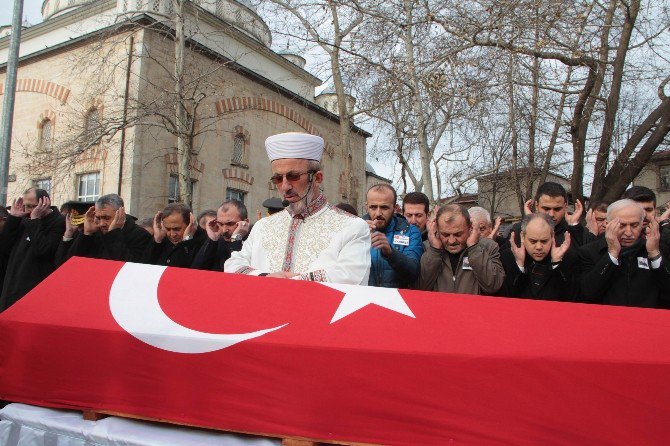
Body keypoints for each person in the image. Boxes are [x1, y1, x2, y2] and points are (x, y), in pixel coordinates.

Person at [225, 132, 371, 284]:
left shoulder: (352, 227)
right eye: (278, 178)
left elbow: (352, 276)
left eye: (293, 176)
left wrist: (292, 282)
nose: (285, 186)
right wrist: (265, 277)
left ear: (317, 178)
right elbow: (232, 266)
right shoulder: (262, 226)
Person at [578, 199, 670, 308]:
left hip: (647, 321)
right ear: (608, 224)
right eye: (621, 225)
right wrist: (612, 255)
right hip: (608, 320)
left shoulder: (658, 249)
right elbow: (589, 293)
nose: (628, 233)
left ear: (642, 224)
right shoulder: (589, 252)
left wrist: (654, 254)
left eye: (634, 225)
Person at [0, 188, 65, 312]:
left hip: (35, 290)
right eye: (25, 206)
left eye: (31, 206)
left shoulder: (58, 222)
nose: (27, 210)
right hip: (12, 288)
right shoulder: (24, 221)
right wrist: (13, 219)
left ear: (45, 203)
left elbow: (43, 250)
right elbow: (4, 247)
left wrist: (35, 220)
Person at [416, 204, 504, 295]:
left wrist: (474, 248)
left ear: (470, 228)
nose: (451, 241)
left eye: (458, 234)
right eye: (445, 235)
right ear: (437, 229)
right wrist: (434, 251)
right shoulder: (426, 248)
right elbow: (418, 288)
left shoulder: (488, 246)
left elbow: (493, 286)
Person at [499, 213, 577, 301]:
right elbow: (503, 298)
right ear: (523, 237)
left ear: (552, 236)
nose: (539, 247)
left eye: (544, 241)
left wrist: (557, 264)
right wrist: (519, 265)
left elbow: (573, 298)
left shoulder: (568, 257)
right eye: (533, 241)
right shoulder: (508, 257)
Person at [364, 184, 423, 288]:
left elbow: (413, 273)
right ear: (366, 207)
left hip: (396, 300)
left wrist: (391, 253)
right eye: (373, 207)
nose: (378, 213)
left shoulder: (410, 231)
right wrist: (358, 238)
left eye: (384, 207)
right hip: (363, 298)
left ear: (395, 208)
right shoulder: (355, 229)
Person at [63, 194, 151, 262]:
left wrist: (113, 234)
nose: (101, 223)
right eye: (98, 217)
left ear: (121, 213)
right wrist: (87, 234)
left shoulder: (140, 235)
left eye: (107, 218)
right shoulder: (94, 232)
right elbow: (71, 262)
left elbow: (128, 266)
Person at [505, 182, 585, 249]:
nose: (551, 214)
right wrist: (531, 223)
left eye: (557, 209)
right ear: (536, 206)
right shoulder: (517, 231)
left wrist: (574, 227)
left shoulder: (576, 231)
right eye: (546, 208)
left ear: (565, 206)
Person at [191, 200, 249, 271]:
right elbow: (196, 271)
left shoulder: (253, 243)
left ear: (245, 223)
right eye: (221, 224)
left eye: (230, 224)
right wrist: (212, 240)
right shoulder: (217, 242)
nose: (224, 230)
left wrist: (236, 239)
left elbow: (236, 270)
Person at [143, 203, 206, 267]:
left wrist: (187, 240)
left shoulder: (204, 241)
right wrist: (157, 240)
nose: (172, 234)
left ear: (190, 223)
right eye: (168, 229)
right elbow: (144, 266)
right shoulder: (162, 239)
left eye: (177, 229)